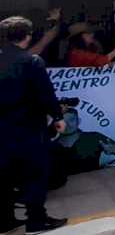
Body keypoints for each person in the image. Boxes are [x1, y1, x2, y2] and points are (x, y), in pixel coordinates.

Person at [0, 16, 68, 233]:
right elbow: (46, 94)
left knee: (4, 175)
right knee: (35, 174)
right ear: (28, 36)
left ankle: (5, 219)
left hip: (2, 129)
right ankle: (36, 221)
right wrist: (58, 117)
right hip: (28, 126)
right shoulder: (32, 61)